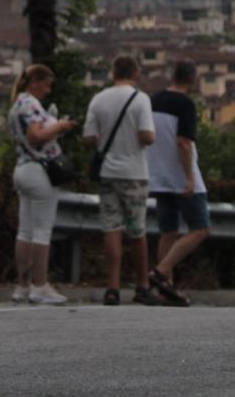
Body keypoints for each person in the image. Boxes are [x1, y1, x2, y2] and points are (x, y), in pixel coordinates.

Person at [83, 56, 162, 306]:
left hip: (108, 172)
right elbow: (147, 137)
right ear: (135, 74)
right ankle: (142, 286)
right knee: (137, 231)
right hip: (135, 174)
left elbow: (88, 138)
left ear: (113, 73)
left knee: (111, 229)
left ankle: (113, 288)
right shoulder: (141, 99)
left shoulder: (99, 99)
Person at [7, 63, 77, 304]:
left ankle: (23, 286)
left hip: (22, 169)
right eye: (46, 85)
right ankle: (40, 285)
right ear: (35, 82)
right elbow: (36, 136)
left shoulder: (17, 103)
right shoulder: (30, 104)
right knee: (41, 231)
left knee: (25, 230)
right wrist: (61, 126)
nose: (48, 91)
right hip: (39, 172)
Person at [147, 62, 209, 306]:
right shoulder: (185, 105)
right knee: (200, 229)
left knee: (168, 231)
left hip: (159, 177)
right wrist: (190, 178)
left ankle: (166, 289)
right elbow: (183, 143)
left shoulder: (153, 100)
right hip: (181, 178)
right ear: (192, 79)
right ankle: (161, 273)